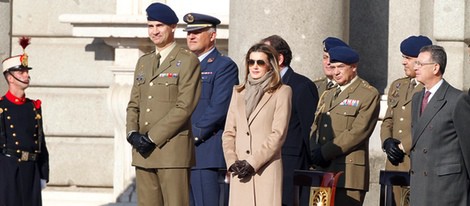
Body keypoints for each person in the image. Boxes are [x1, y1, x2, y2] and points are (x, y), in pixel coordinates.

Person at [125, 3, 201, 206]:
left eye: (160, 25)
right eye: (150, 26)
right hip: (143, 152)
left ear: (173, 27)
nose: (155, 31)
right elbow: (134, 103)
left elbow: (184, 106)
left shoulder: (187, 61)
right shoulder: (144, 62)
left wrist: (152, 137)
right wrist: (132, 133)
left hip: (172, 152)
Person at [222, 43, 292, 206]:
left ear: (270, 65)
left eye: (260, 62)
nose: (254, 66)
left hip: (265, 170)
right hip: (239, 170)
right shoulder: (238, 92)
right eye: (250, 62)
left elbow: (278, 134)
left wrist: (252, 162)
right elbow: (229, 132)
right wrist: (232, 161)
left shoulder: (283, 91)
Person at [310, 46, 380, 206]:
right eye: (333, 67)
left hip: (348, 173)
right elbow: (316, 125)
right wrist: (314, 152)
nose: (336, 72)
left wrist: (325, 152)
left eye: (341, 67)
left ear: (353, 67)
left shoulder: (368, 94)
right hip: (322, 170)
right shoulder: (328, 93)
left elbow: (358, 132)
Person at [183, 12, 239, 206]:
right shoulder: (182, 66)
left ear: (213, 35)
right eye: (189, 32)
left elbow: (219, 107)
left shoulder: (224, 66)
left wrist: (193, 135)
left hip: (205, 152)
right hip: (180, 152)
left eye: (197, 32)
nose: (191, 36)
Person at [260, 35, 318, 206]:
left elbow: (309, 129)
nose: (260, 62)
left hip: (290, 164)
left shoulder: (301, 85)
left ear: (279, 58)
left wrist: (311, 164)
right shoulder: (261, 86)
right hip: (264, 161)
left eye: (266, 56)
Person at [410, 45, 468, 205]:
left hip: (446, 188)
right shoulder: (416, 99)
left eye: (420, 64)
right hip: (420, 185)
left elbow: (468, 147)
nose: (416, 67)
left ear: (435, 67)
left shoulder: (457, 100)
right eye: (416, 63)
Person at [380, 35, 431, 206]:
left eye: (408, 58)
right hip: (393, 164)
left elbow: (428, 125)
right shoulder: (398, 85)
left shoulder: (428, 89)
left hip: (414, 162)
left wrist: (403, 146)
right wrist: (386, 141)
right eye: (403, 57)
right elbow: (388, 119)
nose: (403, 62)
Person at [0, 37, 49, 206]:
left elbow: (41, 142)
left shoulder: (33, 107)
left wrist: (43, 173)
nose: (27, 75)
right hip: (7, 171)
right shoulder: (1, 107)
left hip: (31, 170)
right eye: (21, 72)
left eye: (27, 71)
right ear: (10, 78)